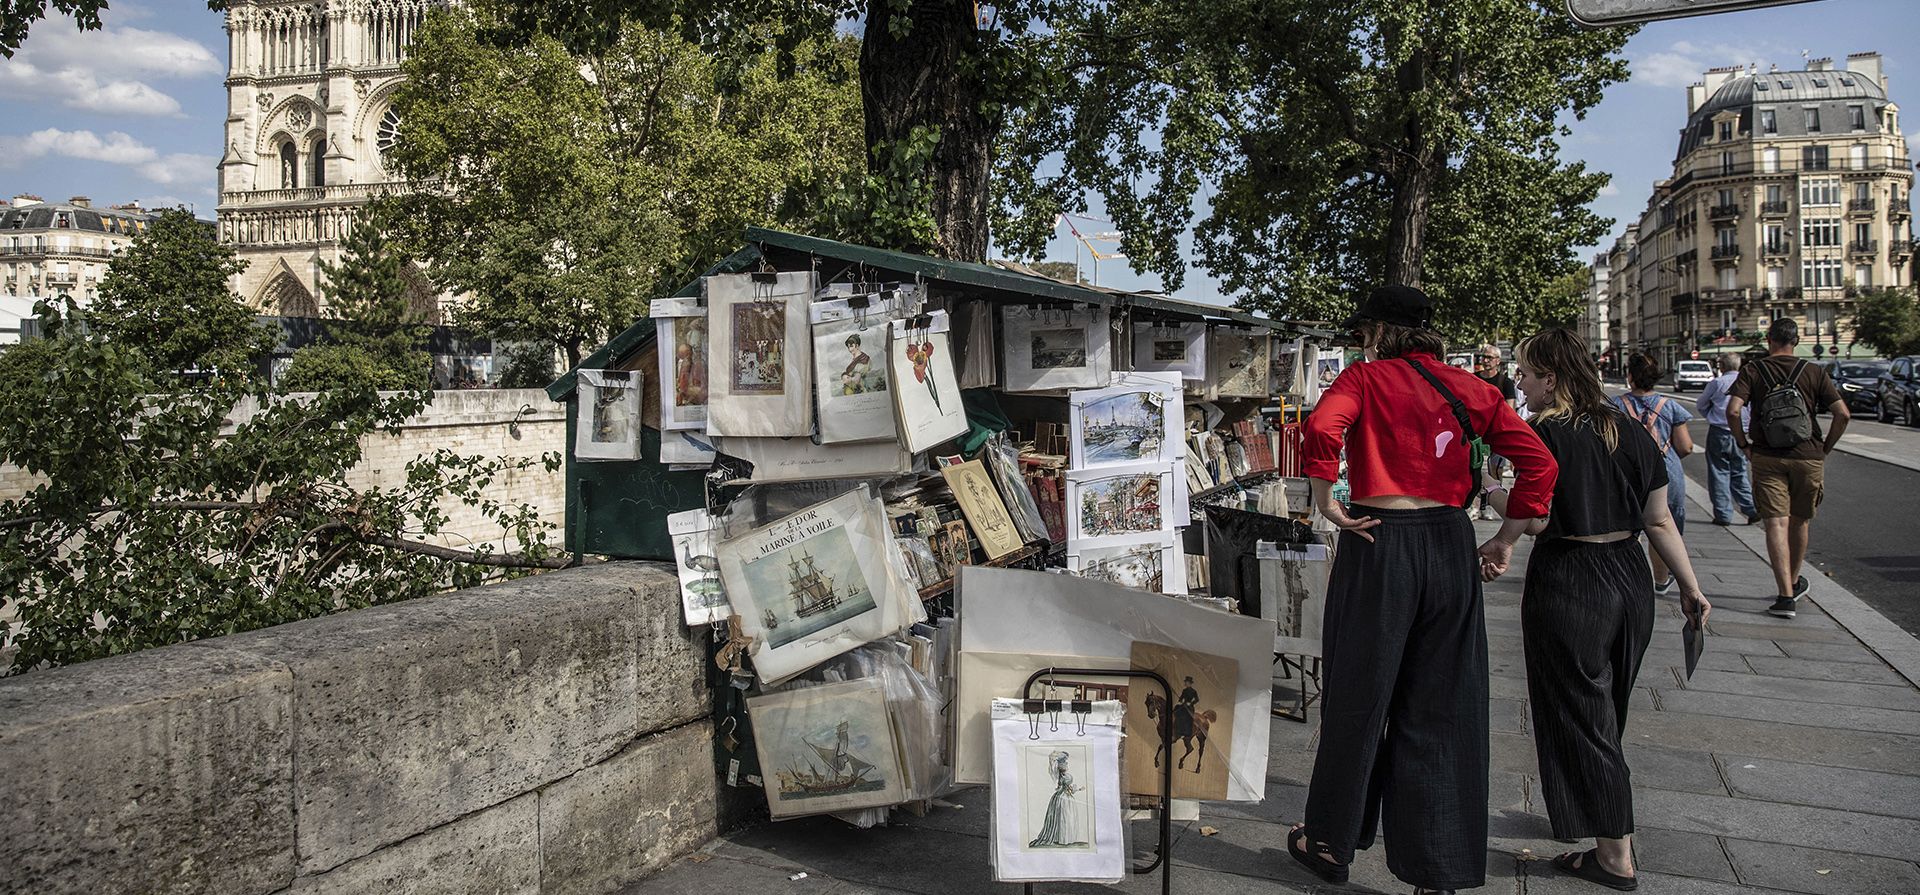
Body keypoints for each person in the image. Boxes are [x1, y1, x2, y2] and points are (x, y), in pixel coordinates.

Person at [1291, 285, 1558, 895]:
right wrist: (1508, 537)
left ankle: (1330, 842)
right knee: (1445, 705)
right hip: (1448, 540)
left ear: (1381, 332)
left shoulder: (1363, 379)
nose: (1361, 342)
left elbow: (1322, 430)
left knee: (1358, 697)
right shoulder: (1475, 388)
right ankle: (1436, 870)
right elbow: (1539, 462)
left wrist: (1322, 501)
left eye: (1364, 332)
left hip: (1377, 538)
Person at [1494, 328, 1710, 892]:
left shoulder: (1542, 432)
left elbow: (1536, 518)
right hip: (1630, 574)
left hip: (1570, 575)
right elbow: (1659, 519)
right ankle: (1600, 829)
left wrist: (1489, 491)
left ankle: (1615, 853)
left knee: (1580, 712)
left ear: (1553, 378)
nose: (1521, 381)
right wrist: (1689, 587)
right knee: (1606, 709)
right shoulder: (1631, 432)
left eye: (1528, 372)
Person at [1724, 319, 1850, 618]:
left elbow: (1732, 410)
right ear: (1796, 340)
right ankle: (1794, 581)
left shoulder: (1753, 370)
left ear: (1769, 339)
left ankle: (1785, 597)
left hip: (1767, 456)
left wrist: (1744, 445)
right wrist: (1825, 448)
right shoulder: (1814, 371)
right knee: (1800, 522)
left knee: (1775, 524)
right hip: (1808, 456)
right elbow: (1842, 414)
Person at [1613, 354, 1693, 593]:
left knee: (1626, 527)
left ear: (1630, 377)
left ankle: (1628, 577)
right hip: (1666, 472)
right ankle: (1660, 580)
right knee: (1662, 525)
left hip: (1626, 473)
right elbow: (1686, 446)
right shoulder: (1670, 407)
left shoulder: (1615, 405)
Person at [1695, 354, 1757, 526]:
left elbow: (1701, 404)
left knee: (1718, 472)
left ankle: (1723, 514)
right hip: (1741, 433)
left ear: (1722, 366)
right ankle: (1751, 508)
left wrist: (1711, 416)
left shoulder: (1717, 383)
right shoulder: (1749, 382)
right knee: (1739, 472)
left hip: (1719, 432)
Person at [1474, 343, 1519, 521]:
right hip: (1476, 433)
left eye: (1489, 358)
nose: (1485, 361)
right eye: (1483, 357)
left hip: (1496, 433)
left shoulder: (1505, 382)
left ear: (1498, 361)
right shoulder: (1474, 378)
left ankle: (1490, 505)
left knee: (1496, 470)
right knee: (1475, 469)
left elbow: (1510, 410)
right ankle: (1475, 505)